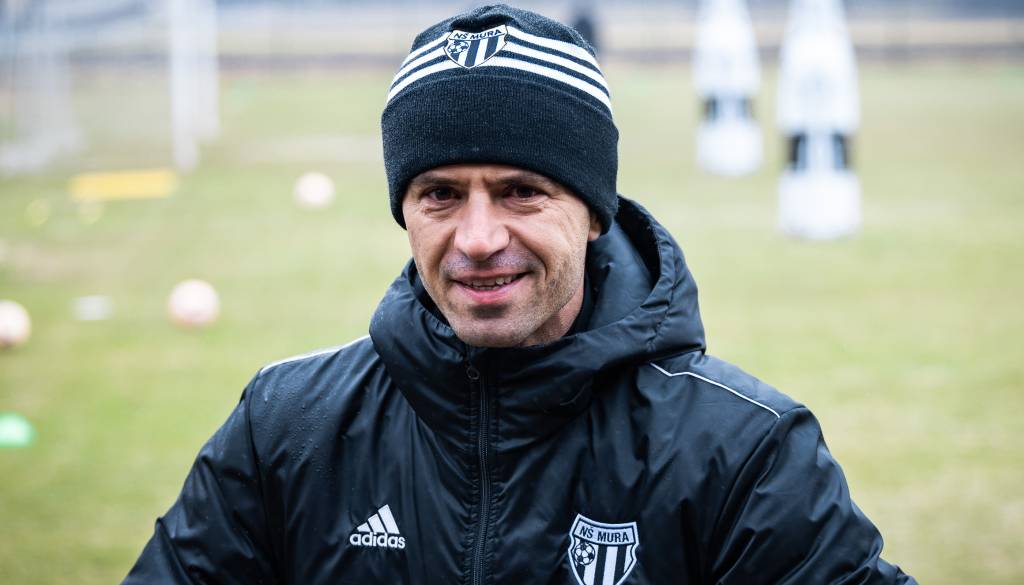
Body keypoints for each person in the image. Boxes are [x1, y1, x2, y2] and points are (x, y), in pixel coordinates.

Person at [123, 5, 917, 584]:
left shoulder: (743, 454)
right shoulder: (287, 428)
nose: (476, 237)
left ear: (594, 211)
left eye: (520, 191)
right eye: (440, 194)